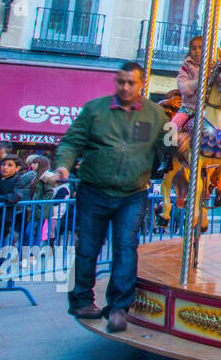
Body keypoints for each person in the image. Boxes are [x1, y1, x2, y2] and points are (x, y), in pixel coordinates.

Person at [54, 62, 165, 334]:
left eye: (131, 83)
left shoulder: (156, 115)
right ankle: (81, 300)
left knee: (126, 247)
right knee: (88, 246)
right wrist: (64, 164)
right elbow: (72, 141)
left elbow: (167, 146)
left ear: (142, 85)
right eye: (121, 82)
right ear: (116, 82)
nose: (126, 88)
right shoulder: (95, 109)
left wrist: (181, 146)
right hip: (95, 189)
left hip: (133, 192)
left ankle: (118, 308)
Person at [170, 35, 204, 136]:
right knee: (171, 128)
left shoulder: (212, 67)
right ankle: (167, 146)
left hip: (206, 108)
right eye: (194, 48)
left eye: (200, 47)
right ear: (190, 51)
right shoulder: (186, 67)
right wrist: (198, 81)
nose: (197, 51)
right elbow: (182, 87)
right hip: (189, 107)